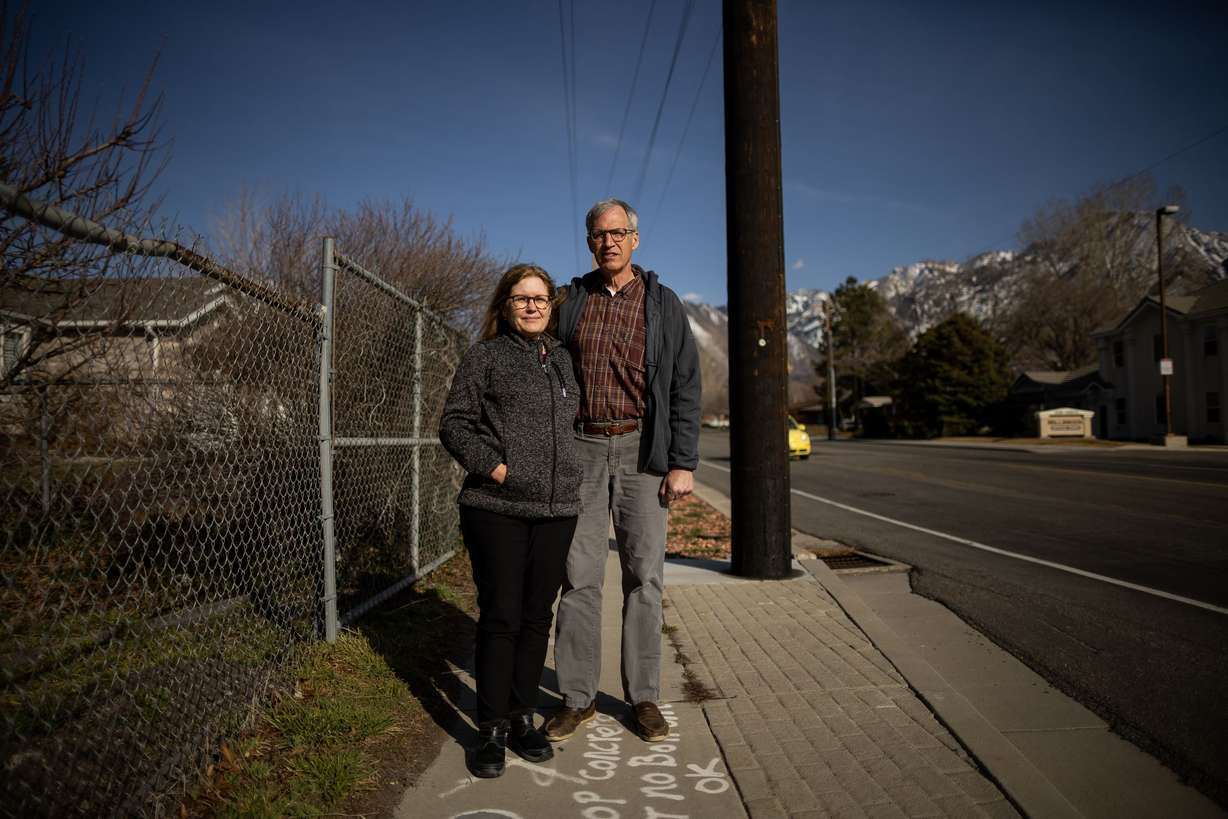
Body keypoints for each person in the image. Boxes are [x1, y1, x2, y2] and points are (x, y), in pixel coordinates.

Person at [544, 198, 701, 743]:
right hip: (582, 450)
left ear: (635, 239)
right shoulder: (570, 302)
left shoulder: (663, 304)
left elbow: (685, 386)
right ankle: (578, 697)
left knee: (644, 578)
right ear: (589, 242)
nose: (607, 242)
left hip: (642, 451)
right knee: (579, 577)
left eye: (617, 233)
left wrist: (682, 461)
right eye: (597, 235)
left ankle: (645, 697)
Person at [439, 263, 582, 778]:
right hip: (496, 508)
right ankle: (491, 729)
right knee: (501, 616)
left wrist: (571, 473)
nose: (532, 307)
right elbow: (454, 423)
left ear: (551, 305)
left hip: (556, 509)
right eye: (522, 298)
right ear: (505, 304)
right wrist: (496, 468)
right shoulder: (486, 358)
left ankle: (523, 718)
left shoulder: (564, 360)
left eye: (541, 299)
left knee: (536, 616)